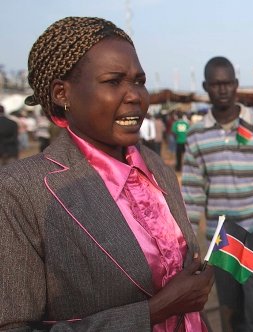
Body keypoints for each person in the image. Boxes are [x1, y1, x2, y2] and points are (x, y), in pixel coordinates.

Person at [0, 17, 214, 331]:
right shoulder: (22, 191)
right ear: (62, 93)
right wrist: (156, 310)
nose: (135, 96)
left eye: (139, 81)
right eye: (114, 81)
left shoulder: (156, 169)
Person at [181, 56, 253, 332]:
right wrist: (190, 247)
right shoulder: (196, 133)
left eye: (227, 83)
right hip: (224, 238)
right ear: (206, 87)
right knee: (230, 313)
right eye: (216, 84)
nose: (222, 89)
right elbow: (192, 194)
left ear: (236, 85)